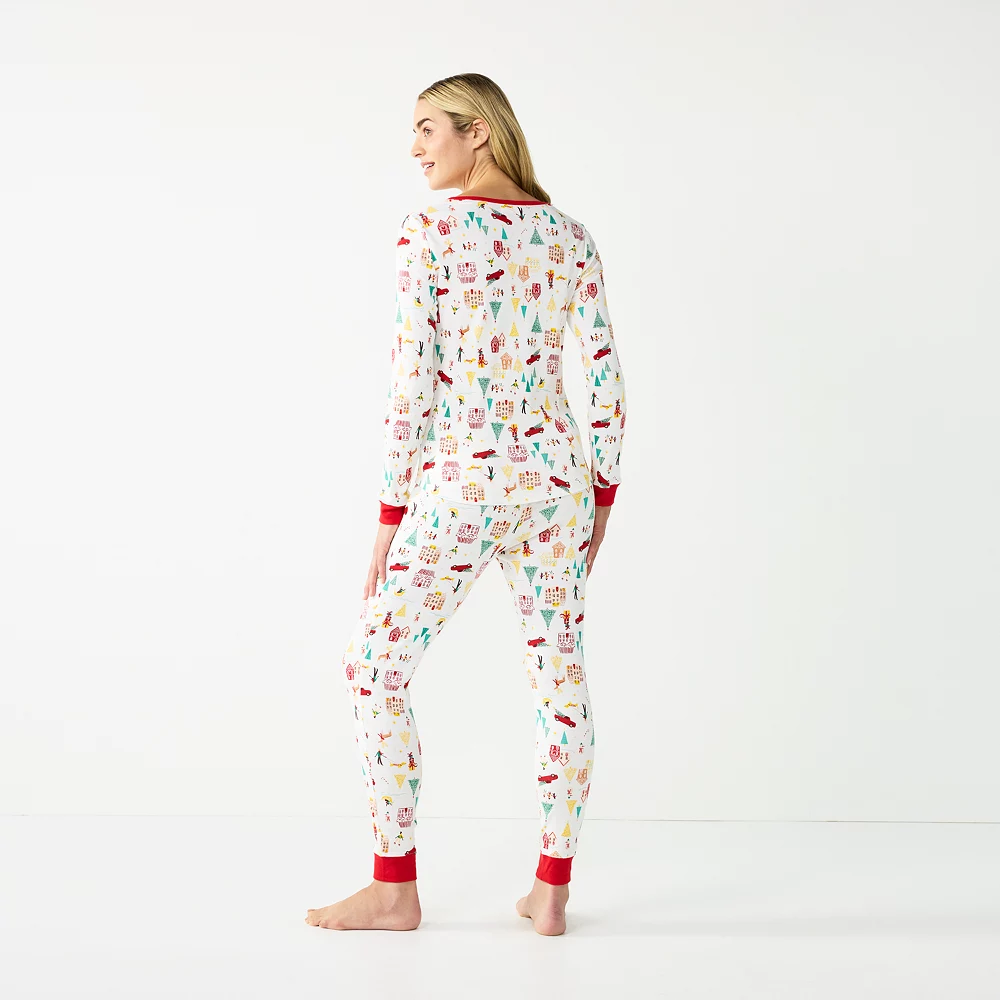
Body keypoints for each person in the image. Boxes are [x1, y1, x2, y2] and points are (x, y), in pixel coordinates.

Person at [306, 73, 627, 936]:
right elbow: (604, 378)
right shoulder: (570, 237)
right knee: (560, 675)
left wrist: (390, 514)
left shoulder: (431, 232)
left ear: (477, 131)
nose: (415, 148)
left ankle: (394, 888)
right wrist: (601, 491)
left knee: (374, 668)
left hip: (463, 483)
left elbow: (413, 382)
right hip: (558, 483)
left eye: (427, 129)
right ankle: (551, 891)